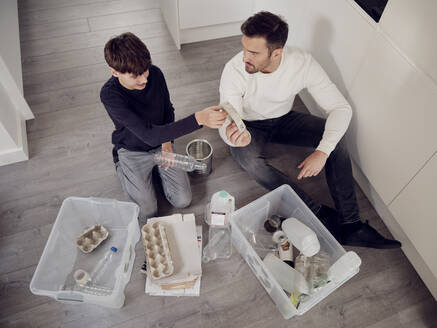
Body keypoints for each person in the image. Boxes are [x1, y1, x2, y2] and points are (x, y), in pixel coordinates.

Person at [219, 11, 401, 249]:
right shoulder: (234, 70)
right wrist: (231, 135)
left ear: (276, 53)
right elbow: (227, 121)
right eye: (244, 48)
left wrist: (323, 151)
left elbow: (340, 108)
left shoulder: (301, 63)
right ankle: (317, 213)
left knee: (335, 138)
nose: (245, 57)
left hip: (284, 119)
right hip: (250, 125)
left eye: (253, 52)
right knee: (252, 162)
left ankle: (352, 225)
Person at [100, 32, 226, 220]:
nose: (144, 79)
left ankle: (155, 171)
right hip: (133, 150)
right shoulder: (110, 95)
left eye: (145, 70)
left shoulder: (155, 74)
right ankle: (123, 166)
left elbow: (167, 110)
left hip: (161, 142)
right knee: (147, 212)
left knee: (183, 200)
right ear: (114, 72)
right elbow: (148, 135)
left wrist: (167, 142)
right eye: (135, 76)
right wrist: (199, 118)